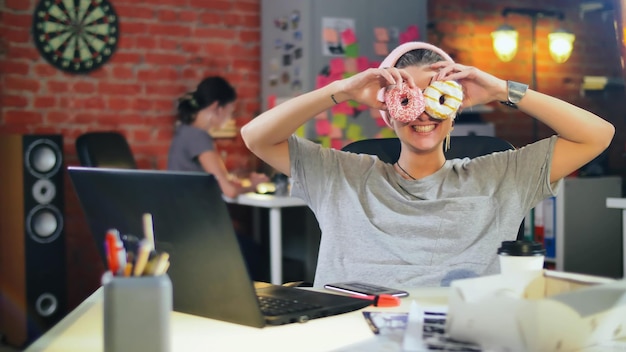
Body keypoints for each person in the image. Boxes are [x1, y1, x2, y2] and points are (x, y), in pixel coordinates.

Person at [240, 42, 615, 288]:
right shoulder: (342, 173)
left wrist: (502, 89)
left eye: (436, 99)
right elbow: (257, 136)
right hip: (348, 330)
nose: (423, 113)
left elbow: (597, 134)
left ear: (454, 110)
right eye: (408, 99)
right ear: (387, 113)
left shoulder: (500, 175)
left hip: (457, 332)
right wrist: (342, 90)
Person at [168, 76, 269, 280]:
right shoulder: (199, 136)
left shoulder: (185, 132)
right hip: (197, 230)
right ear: (217, 107)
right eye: (230, 111)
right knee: (254, 253)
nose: (229, 119)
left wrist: (236, 178)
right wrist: (255, 185)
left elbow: (212, 176)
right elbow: (229, 191)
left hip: (180, 225)